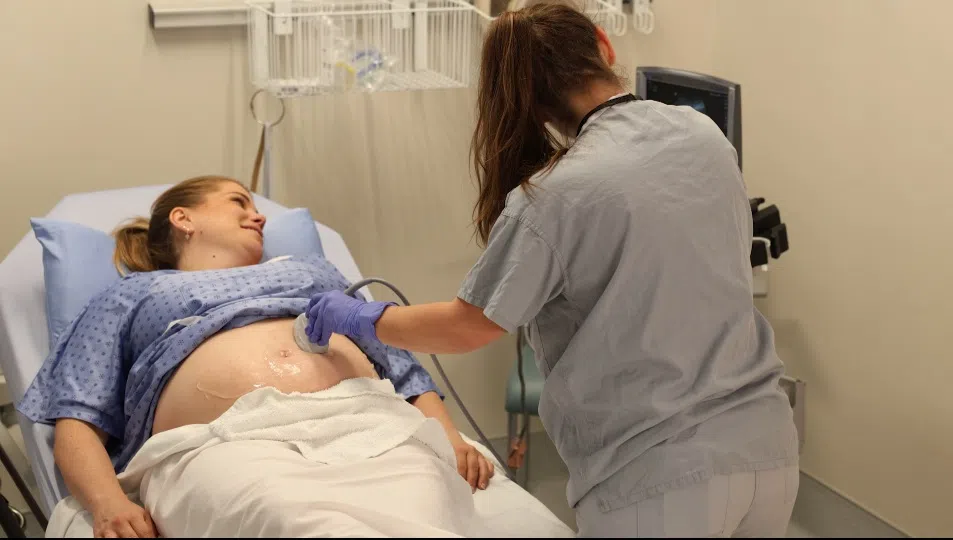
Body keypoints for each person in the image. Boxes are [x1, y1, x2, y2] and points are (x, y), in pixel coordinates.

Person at [304, 2, 801, 538]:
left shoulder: (553, 197)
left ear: (524, 100)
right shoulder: (704, 133)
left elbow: (468, 326)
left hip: (660, 478)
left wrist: (363, 318)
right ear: (604, 47)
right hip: (768, 451)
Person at [17, 176, 495, 538]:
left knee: (422, 510)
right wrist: (107, 503)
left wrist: (448, 438)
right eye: (238, 202)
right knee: (288, 516)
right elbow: (78, 418)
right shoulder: (134, 294)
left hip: (368, 423)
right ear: (183, 219)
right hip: (221, 443)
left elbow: (401, 368)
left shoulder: (312, 270)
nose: (259, 216)